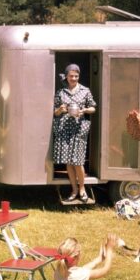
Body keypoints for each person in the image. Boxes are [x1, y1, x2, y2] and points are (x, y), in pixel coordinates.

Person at [53, 63, 96, 202]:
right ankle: (74, 190)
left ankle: (83, 189)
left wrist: (84, 110)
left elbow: (93, 108)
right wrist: (60, 109)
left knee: (78, 161)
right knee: (69, 162)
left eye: (76, 76)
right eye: (71, 76)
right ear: (66, 76)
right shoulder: (61, 92)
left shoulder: (85, 90)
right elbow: (55, 112)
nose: (74, 78)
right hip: (65, 129)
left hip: (79, 129)